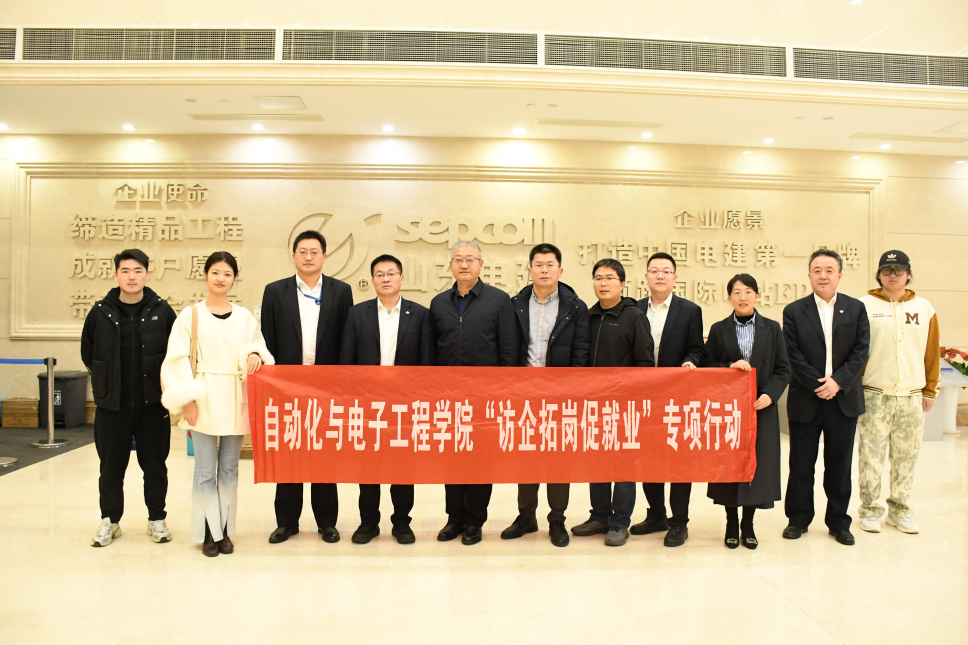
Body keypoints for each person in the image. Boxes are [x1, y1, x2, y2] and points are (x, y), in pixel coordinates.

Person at [160, 252, 273, 557]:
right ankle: (208, 531)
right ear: (206, 275)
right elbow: (176, 359)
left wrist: (254, 355)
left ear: (234, 278)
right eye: (215, 272)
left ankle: (224, 528)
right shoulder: (190, 315)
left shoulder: (244, 317)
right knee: (205, 470)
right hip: (204, 396)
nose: (221, 278)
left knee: (230, 469)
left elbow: (259, 347)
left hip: (236, 397)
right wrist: (188, 399)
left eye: (227, 273)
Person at [260, 230, 353, 544]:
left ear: (324, 256)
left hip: (327, 387)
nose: (309, 257)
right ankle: (287, 523)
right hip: (287, 387)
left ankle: (327, 523)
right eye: (303, 251)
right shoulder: (275, 291)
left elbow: (346, 339)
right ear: (293, 256)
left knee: (324, 457)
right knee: (289, 454)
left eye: (314, 252)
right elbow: (267, 339)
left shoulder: (341, 291)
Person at [82, 249, 177, 547]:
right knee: (111, 468)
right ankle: (110, 521)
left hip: (153, 405)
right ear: (115, 274)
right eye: (125, 271)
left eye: (137, 271)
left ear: (147, 274)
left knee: (155, 466)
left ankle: (156, 519)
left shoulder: (163, 311)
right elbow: (88, 353)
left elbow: (175, 354)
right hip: (113, 406)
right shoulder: (100, 312)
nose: (131, 277)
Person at [339, 254, 436, 545]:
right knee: (368, 466)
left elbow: (427, 364)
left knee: (403, 467)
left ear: (401, 278)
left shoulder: (420, 314)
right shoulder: (357, 314)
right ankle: (368, 522)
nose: (386, 278)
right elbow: (347, 361)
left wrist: (421, 402)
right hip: (368, 404)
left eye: (391, 273)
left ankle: (402, 523)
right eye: (380, 274)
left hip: (406, 405)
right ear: (372, 281)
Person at [501, 243, 590, 548]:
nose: (544, 270)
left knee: (558, 459)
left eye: (550, 265)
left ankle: (557, 519)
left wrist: (570, 389)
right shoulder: (515, 304)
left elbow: (581, 351)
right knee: (526, 456)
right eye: (538, 265)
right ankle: (526, 516)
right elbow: (509, 348)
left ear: (560, 270)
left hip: (560, 395)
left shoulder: (575, 307)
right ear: (529, 270)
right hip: (524, 394)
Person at [430, 240, 519, 545]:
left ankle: (474, 521)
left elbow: (509, 349)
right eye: (458, 259)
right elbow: (431, 352)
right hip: (448, 398)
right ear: (450, 265)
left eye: (470, 259)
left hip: (485, 398)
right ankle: (454, 518)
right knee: (452, 461)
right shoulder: (438, 303)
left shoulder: (499, 300)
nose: (464, 264)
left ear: (481, 264)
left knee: (480, 461)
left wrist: (503, 393)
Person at [782, 249, 870, 546]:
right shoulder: (794, 311)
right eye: (817, 270)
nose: (823, 275)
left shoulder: (856, 308)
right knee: (801, 464)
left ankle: (838, 522)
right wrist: (818, 384)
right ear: (809, 276)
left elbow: (861, 351)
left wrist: (838, 383)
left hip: (843, 399)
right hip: (807, 398)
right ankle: (798, 519)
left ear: (839, 276)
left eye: (829, 270)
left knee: (839, 465)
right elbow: (792, 353)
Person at [570, 259, 655, 547]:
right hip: (593, 405)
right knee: (597, 462)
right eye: (598, 278)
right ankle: (600, 516)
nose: (603, 283)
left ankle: (620, 522)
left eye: (609, 278)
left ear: (622, 284)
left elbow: (645, 363)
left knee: (623, 465)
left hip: (625, 405)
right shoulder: (588, 316)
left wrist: (631, 397)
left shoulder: (634, 316)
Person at [704, 274, 791, 549]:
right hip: (729, 409)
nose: (742, 297)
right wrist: (727, 367)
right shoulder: (719, 329)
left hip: (760, 407)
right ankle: (731, 522)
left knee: (757, 466)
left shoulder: (772, 328)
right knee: (730, 466)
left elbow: (783, 368)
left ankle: (748, 524)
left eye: (748, 291)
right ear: (729, 296)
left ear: (757, 295)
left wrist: (770, 394)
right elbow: (707, 364)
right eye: (737, 292)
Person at [857, 250, 940, 535]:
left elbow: (931, 353)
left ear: (908, 273)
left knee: (906, 457)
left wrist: (929, 391)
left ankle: (900, 510)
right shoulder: (864, 306)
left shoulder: (925, 308)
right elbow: (856, 352)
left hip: (911, 396)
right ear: (879, 274)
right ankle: (870, 510)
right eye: (887, 270)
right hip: (874, 393)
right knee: (871, 456)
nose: (893, 275)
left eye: (898, 270)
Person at [632, 251, 705, 547]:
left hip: (677, 397)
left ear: (675, 277)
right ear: (646, 277)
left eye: (665, 271)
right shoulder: (634, 309)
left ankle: (679, 522)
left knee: (678, 460)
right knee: (648, 458)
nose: (659, 275)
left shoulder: (690, 310)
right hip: (644, 397)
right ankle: (656, 515)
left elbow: (697, 348)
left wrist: (690, 361)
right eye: (654, 271)